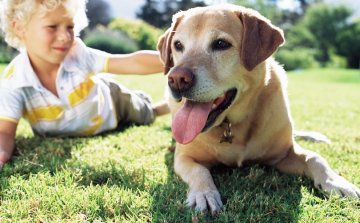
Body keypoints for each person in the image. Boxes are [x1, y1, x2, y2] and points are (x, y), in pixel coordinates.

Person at [0, 0, 170, 166]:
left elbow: (131, 62)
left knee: (144, 114)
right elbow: (4, 131)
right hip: (83, 120)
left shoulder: (78, 54)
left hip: (112, 103)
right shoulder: (14, 81)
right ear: (20, 28)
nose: (65, 36)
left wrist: (176, 60)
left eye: (70, 27)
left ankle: (159, 107)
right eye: (52, 27)